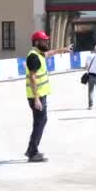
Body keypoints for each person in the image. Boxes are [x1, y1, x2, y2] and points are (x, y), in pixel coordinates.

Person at [25, 31, 72, 162]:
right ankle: (32, 152)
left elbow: (48, 53)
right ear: (36, 42)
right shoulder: (33, 57)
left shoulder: (39, 54)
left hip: (40, 96)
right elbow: (33, 78)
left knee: (41, 122)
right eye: (44, 40)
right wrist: (36, 99)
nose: (46, 42)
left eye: (46, 40)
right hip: (37, 97)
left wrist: (63, 49)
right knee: (39, 123)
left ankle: (31, 149)